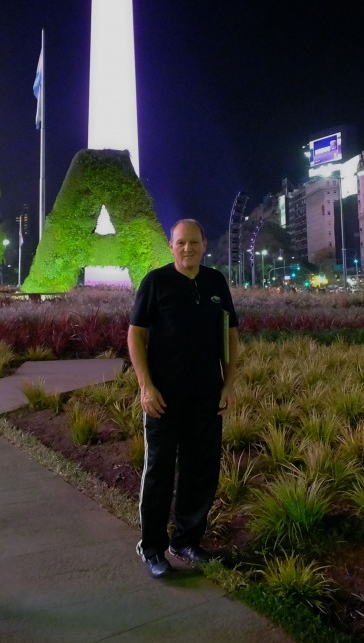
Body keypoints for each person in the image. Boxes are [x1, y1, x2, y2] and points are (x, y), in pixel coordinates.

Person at [128, 219, 239, 579]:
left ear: (204, 243)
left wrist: (228, 383)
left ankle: (187, 539)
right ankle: (153, 547)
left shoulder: (215, 282)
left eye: (194, 241)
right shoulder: (156, 283)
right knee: (159, 471)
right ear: (171, 246)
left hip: (206, 397)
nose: (188, 248)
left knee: (201, 469)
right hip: (164, 399)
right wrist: (146, 386)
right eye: (181, 243)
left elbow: (230, 335)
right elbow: (136, 337)